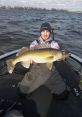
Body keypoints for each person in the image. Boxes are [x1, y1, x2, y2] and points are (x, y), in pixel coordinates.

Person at [17, 22, 69, 100]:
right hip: (36, 70)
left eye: (47, 31)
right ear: (40, 32)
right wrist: (30, 61)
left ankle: (58, 84)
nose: (45, 33)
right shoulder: (34, 43)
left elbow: (57, 56)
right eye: (43, 31)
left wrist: (62, 56)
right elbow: (29, 52)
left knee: (63, 95)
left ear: (50, 33)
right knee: (21, 92)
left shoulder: (54, 44)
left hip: (50, 73)